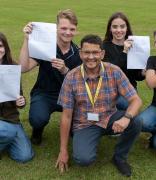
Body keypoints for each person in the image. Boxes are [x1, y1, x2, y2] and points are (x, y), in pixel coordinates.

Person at [55, 34, 142, 177]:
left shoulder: (114, 71)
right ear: (80, 53)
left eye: (95, 52)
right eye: (86, 52)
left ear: (102, 53)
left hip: (109, 117)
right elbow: (66, 116)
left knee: (136, 121)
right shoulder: (71, 77)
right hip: (85, 123)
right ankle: (80, 138)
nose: (91, 57)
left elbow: (136, 100)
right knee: (83, 160)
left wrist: (126, 118)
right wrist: (63, 150)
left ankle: (119, 157)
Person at [19, 9, 82, 145]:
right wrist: (26, 39)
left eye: (72, 29)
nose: (67, 32)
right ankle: (38, 129)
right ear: (56, 28)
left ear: (76, 30)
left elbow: (81, 83)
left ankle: (73, 126)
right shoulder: (45, 47)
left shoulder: (78, 53)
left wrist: (65, 70)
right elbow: (24, 68)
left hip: (69, 95)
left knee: (78, 128)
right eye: (63, 28)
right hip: (45, 93)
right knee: (37, 119)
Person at [0, 32, 34, 162]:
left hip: (10, 120)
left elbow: (18, 95)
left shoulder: (13, 68)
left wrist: (21, 101)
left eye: (1, 46)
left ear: (6, 48)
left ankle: (5, 140)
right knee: (7, 132)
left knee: (25, 156)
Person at [103, 12, 145, 110]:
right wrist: (125, 51)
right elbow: (112, 72)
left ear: (127, 28)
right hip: (110, 89)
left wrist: (143, 72)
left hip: (129, 90)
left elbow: (136, 76)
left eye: (122, 27)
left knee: (126, 105)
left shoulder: (134, 45)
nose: (119, 30)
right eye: (115, 27)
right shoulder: (104, 47)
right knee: (121, 105)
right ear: (110, 28)